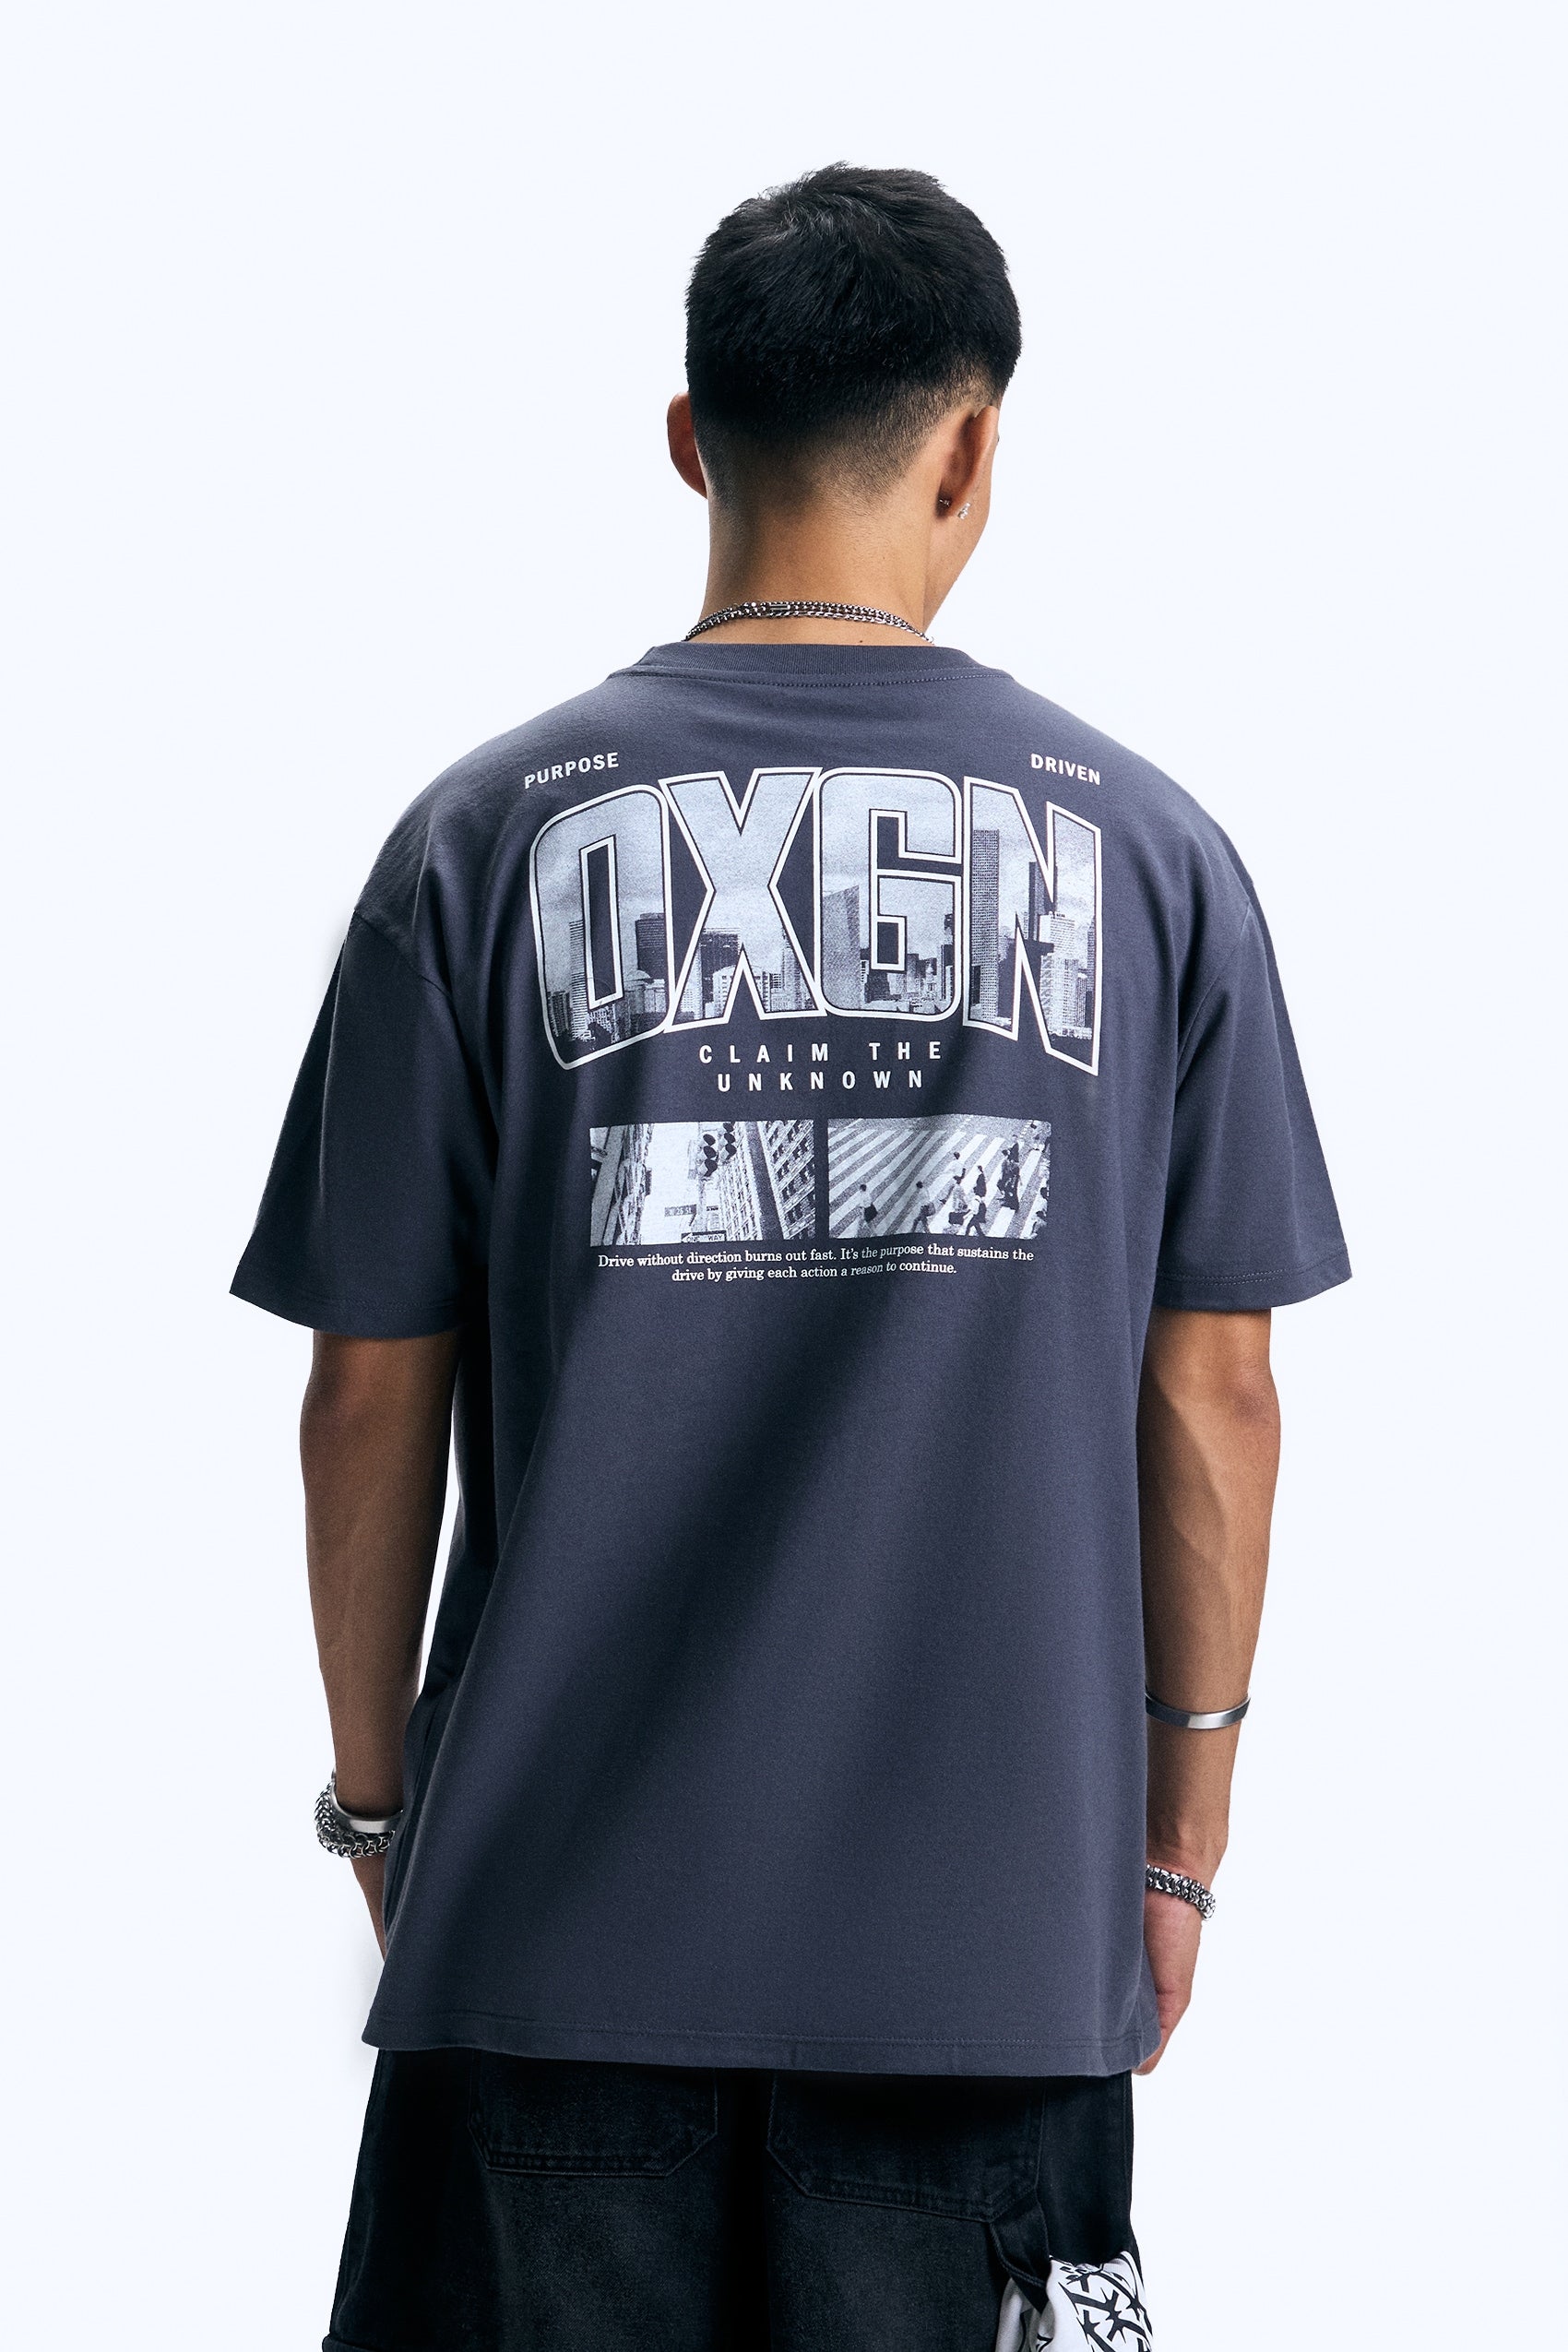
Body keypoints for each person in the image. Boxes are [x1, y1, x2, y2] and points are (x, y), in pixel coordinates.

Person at [232, 163, 1348, 2352]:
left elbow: (367, 1389)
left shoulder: (479, 838)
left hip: (545, 1939)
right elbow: (1213, 1393)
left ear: (689, 439)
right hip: (986, 1966)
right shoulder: (1149, 856)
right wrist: (1174, 1849)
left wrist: (379, 1813)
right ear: (971, 447)